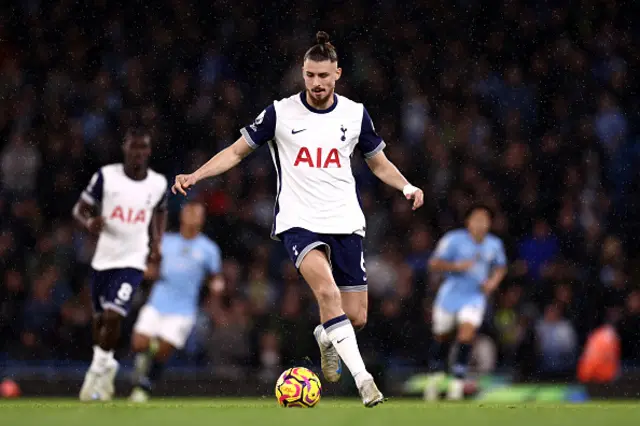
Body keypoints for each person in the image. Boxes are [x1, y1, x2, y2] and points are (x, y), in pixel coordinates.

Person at [171, 31, 424, 407]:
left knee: (355, 316)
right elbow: (236, 152)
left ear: (337, 73)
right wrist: (196, 174)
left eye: (324, 76)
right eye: (310, 75)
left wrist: (405, 186)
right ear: (302, 74)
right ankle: (365, 381)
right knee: (326, 292)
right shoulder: (280, 112)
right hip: (299, 221)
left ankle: (326, 337)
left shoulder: (355, 114)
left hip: (344, 220)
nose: (317, 83)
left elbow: (377, 162)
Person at [73, 127, 168, 401]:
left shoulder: (157, 183)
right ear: (125, 149)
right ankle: (107, 363)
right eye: (133, 147)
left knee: (115, 314)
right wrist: (90, 222)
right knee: (101, 320)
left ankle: (96, 371)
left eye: (143, 148)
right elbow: (81, 208)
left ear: (149, 151)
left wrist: (156, 243)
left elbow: (160, 210)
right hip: (104, 259)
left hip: (133, 260)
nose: (138, 153)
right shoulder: (106, 176)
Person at [129, 200, 223, 402]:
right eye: (190, 213)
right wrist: (146, 273)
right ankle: (143, 359)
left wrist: (217, 286)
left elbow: (215, 277)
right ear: (182, 216)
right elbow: (152, 267)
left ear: (202, 219)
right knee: (138, 343)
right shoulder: (167, 242)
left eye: (197, 214)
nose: (193, 217)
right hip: (157, 302)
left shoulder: (209, 249)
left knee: (164, 350)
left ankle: (144, 387)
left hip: (183, 310)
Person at [425, 204, 507, 400]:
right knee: (442, 337)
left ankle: (457, 382)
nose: (481, 224)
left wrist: (492, 283)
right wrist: (456, 266)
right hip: (450, 294)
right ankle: (436, 375)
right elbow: (433, 263)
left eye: (485, 220)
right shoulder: (453, 240)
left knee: (466, 333)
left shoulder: (494, 244)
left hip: (474, 296)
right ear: (468, 222)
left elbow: (501, 267)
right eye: (477, 219)